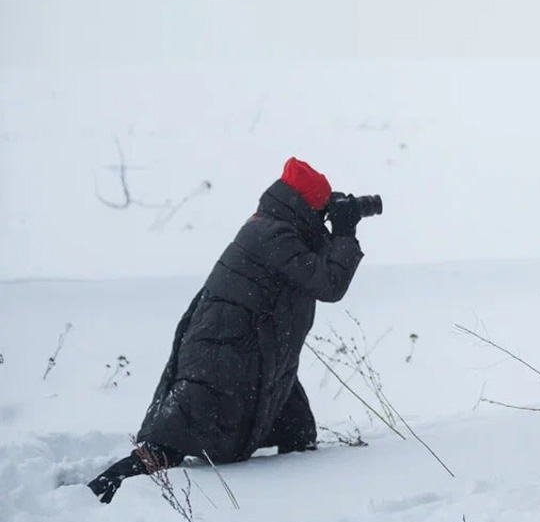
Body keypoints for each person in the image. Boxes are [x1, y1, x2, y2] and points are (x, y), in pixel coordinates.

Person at [88, 157, 367, 503]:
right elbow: (328, 283)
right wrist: (344, 232)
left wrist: (334, 222)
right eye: (320, 208)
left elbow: (317, 267)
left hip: (256, 361)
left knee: (297, 433)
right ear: (306, 208)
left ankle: (293, 502)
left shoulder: (281, 228)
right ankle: (93, 498)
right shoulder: (271, 235)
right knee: (169, 446)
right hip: (223, 362)